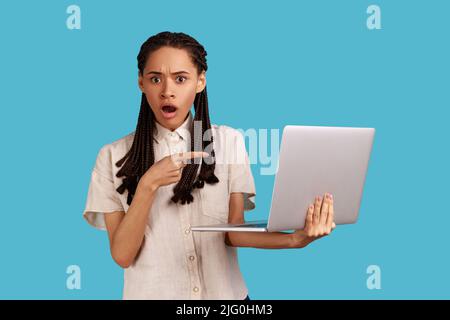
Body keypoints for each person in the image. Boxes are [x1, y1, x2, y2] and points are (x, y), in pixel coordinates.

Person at [82, 31, 335, 300]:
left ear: (200, 81)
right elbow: (122, 255)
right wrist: (148, 184)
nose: (167, 91)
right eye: (155, 79)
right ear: (141, 83)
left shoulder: (229, 141)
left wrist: (296, 239)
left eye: (181, 79)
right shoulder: (112, 156)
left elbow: (234, 233)